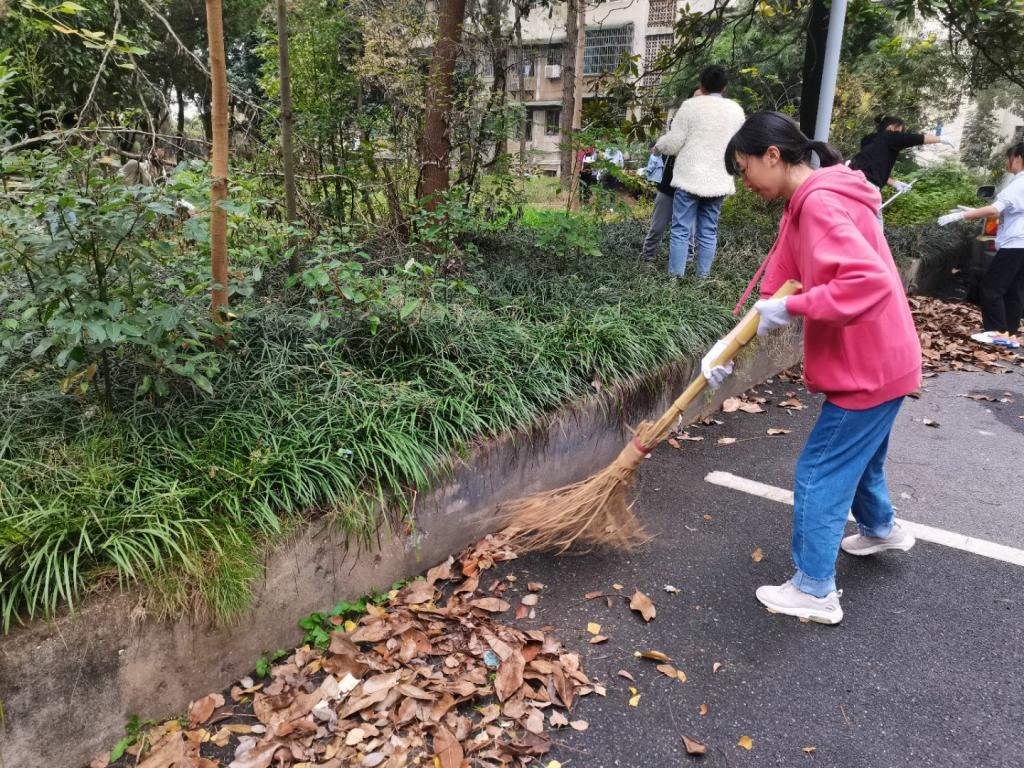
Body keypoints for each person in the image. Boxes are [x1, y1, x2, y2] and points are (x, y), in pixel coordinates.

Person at [705, 111, 922, 625]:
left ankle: (815, 589)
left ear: (772, 155)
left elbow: (866, 284)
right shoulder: (809, 201)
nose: (745, 182)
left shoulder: (821, 203)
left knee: (822, 469)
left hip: (867, 365)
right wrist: (724, 350)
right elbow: (775, 290)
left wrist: (793, 309)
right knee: (861, 456)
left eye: (744, 167)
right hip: (886, 357)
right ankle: (881, 528)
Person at [655, 66, 745, 278]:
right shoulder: (735, 111)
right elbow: (740, 145)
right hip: (719, 179)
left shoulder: (690, 107)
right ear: (724, 87)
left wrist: (659, 145)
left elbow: (674, 144)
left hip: (689, 178)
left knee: (680, 230)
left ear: (701, 85)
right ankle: (702, 279)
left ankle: (675, 281)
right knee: (708, 231)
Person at [937, 142, 1024, 333]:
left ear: (1017, 158)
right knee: (1014, 290)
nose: (1007, 162)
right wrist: (975, 211)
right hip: (1021, 244)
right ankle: (1009, 333)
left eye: (1008, 157)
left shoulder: (1019, 182)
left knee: (992, 288)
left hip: (1015, 244)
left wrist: (960, 216)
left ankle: (996, 333)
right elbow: (1010, 212)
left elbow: (995, 208)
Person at [849, 115, 957, 195]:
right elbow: (915, 138)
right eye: (899, 131)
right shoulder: (890, 137)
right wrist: (942, 139)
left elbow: (871, 170)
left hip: (851, 180)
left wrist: (894, 183)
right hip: (866, 190)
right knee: (874, 224)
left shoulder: (867, 140)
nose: (900, 135)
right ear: (891, 128)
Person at [639, 153, 676, 263]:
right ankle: (647, 257)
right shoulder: (671, 141)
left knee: (689, 232)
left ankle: (688, 260)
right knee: (657, 227)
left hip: (689, 193)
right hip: (667, 190)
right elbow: (659, 153)